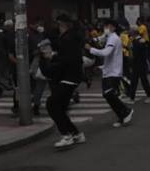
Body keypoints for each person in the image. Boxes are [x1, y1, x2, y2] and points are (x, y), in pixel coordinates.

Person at [45, 14, 86, 149]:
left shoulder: (68, 38)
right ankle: (75, 134)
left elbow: (68, 59)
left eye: (57, 24)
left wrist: (53, 60)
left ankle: (67, 135)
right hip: (71, 76)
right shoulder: (71, 37)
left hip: (68, 77)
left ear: (62, 24)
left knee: (51, 104)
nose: (56, 27)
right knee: (60, 107)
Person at [89, 18, 133, 129]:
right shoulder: (110, 38)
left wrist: (91, 49)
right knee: (108, 95)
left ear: (113, 27)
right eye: (105, 26)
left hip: (113, 72)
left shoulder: (113, 38)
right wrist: (102, 67)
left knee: (109, 94)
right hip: (108, 71)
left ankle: (126, 111)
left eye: (107, 26)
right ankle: (122, 115)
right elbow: (111, 57)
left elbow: (106, 53)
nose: (105, 28)